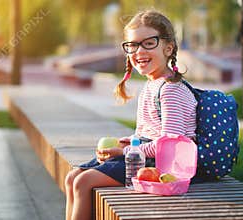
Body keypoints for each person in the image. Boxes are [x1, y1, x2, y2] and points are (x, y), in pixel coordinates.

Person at [64, 9, 197, 220]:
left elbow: (169, 145)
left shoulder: (171, 89)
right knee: (73, 177)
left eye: (149, 43)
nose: (139, 51)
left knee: (83, 182)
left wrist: (125, 152)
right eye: (133, 45)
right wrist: (127, 143)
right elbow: (147, 133)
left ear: (168, 48)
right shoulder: (152, 85)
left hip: (161, 164)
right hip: (145, 155)